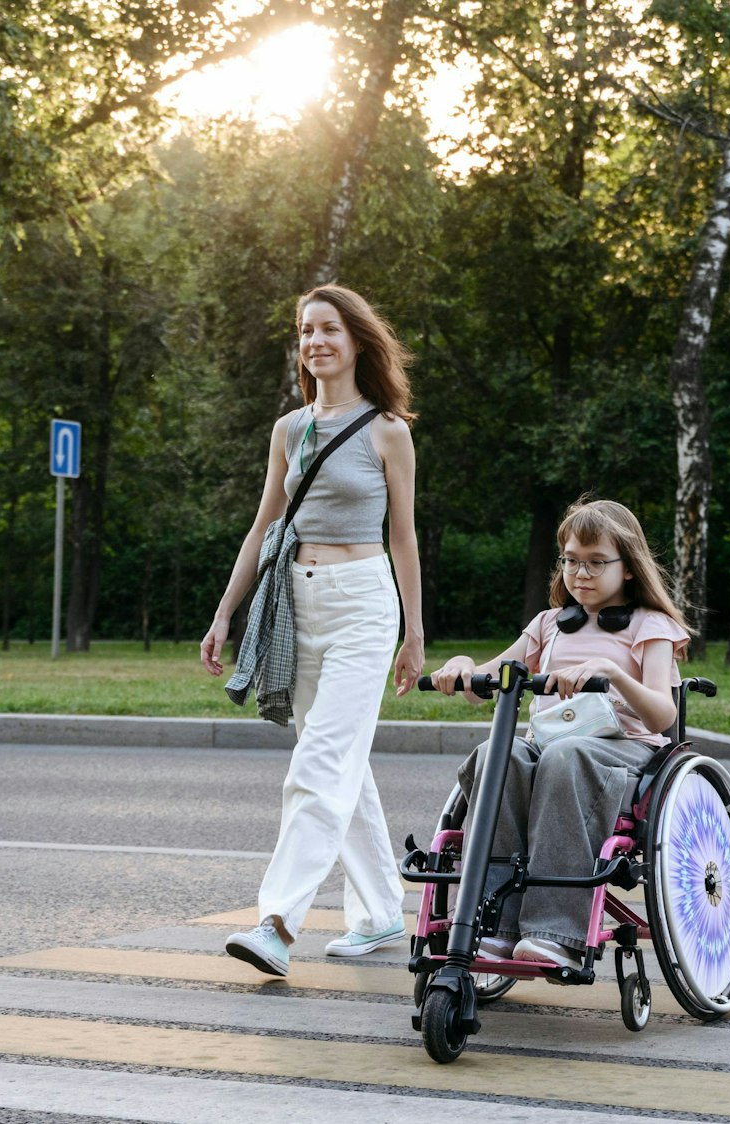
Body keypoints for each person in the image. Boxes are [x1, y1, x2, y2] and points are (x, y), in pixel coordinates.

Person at [201, 284, 426, 977]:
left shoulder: (388, 429)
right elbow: (266, 526)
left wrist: (414, 632)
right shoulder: (288, 430)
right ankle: (382, 911)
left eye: (329, 328)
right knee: (340, 764)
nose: (316, 341)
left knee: (320, 762)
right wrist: (224, 611)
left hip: (364, 603)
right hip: (296, 605)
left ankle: (277, 921)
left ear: (357, 340)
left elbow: (404, 537)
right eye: (305, 331)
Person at [426, 497, 690, 970]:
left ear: (628, 567)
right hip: (551, 749)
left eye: (595, 563)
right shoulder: (548, 625)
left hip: (624, 754)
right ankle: (494, 927)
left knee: (566, 756)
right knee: (497, 754)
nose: (580, 573)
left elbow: (660, 716)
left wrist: (612, 672)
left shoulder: (651, 627)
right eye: (570, 561)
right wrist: (463, 668)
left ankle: (554, 931)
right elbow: (485, 683)